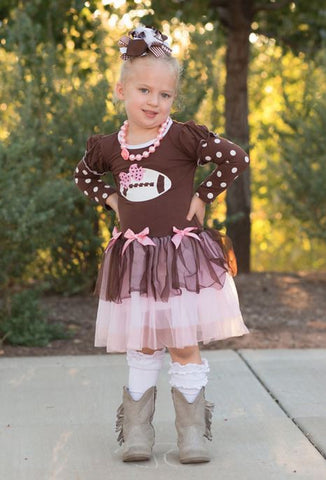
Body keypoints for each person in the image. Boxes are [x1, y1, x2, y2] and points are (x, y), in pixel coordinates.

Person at [74, 25, 250, 464]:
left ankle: (192, 433)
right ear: (121, 90)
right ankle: (137, 432)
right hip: (135, 260)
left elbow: (235, 158)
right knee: (144, 343)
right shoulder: (108, 147)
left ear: (174, 99)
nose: (154, 101)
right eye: (145, 90)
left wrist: (203, 196)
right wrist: (111, 198)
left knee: (184, 343)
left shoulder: (181, 138)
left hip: (181, 257)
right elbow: (83, 176)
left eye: (165, 95)